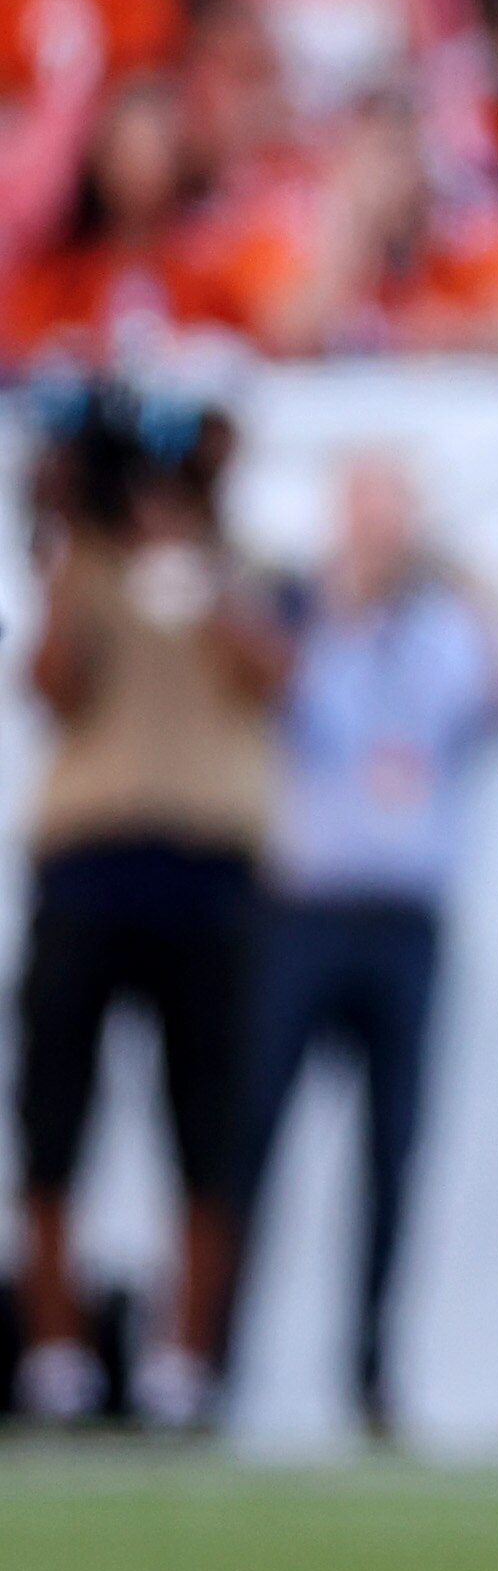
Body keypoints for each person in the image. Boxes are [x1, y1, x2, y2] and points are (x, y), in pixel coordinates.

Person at [15, 384, 288, 1430]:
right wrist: (58, 553)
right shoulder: (80, 564)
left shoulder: (245, 566)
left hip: (208, 872)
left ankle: (185, 1365)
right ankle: (56, 1357)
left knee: (207, 1125)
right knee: (52, 1118)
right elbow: (51, 687)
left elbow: (272, 675)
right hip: (88, 866)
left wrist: (196, 562)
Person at [238, 454, 498, 1437]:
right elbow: (258, 690)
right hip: (307, 912)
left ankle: (369, 1376)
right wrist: (331, 603)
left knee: (392, 1154)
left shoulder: (444, 630)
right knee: (253, 1138)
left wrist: (475, 588)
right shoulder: (299, 619)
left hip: (405, 919)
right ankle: (214, 1364)